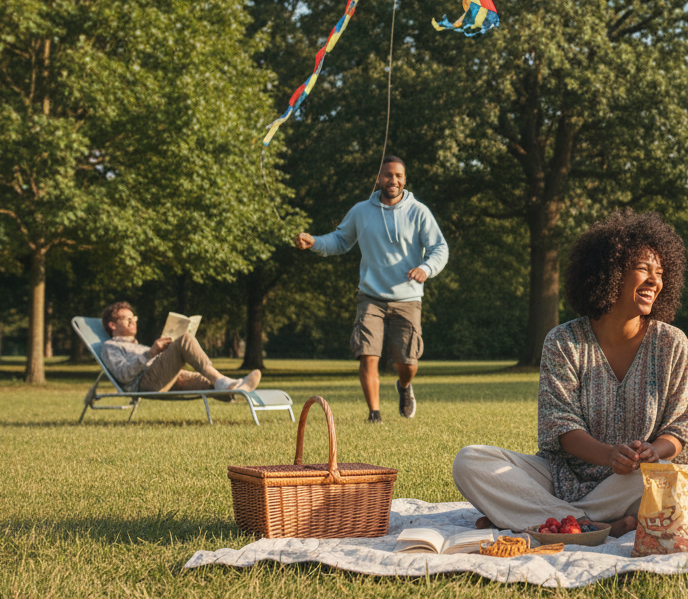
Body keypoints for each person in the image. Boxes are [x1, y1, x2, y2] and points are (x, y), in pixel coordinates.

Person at [452, 211, 688, 537]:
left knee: (670, 473)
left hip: (632, 481)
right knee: (470, 461)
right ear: (610, 271)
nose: (655, 280)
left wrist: (655, 450)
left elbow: (686, 428)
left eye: (660, 272)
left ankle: (541, 520)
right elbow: (560, 425)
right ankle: (593, 524)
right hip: (563, 477)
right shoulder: (563, 341)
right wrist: (608, 454)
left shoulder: (671, 343)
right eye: (643, 269)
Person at [295, 155, 448, 423]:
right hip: (370, 298)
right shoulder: (361, 211)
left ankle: (404, 387)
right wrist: (314, 242)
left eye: (399, 176)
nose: (393, 180)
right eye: (388, 175)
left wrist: (426, 268)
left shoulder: (418, 211)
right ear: (378, 178)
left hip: (408, 297)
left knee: (407, 363)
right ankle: (374, 414)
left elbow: (440, 248)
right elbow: (340, 241)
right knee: (368, 354)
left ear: (405, 179)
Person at [97, 302, 261, 394]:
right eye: (127, 319)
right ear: (112, 325)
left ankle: (238, 388)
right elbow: (123, 375)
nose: (133, 322)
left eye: (134, 318)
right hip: (145, 384)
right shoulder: (110, 347)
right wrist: (150, 353)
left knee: (204, 381)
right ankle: (223, 381)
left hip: (165, 377)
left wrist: (160, 353)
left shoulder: (137, 345)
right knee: (185, 339)